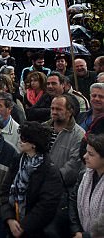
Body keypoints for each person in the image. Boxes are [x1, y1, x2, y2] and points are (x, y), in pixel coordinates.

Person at [0, 121, 63, 238]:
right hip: (13, 225)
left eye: (23, 139)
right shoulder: (18, 161)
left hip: (36, 231)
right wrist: (9, 218)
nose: (19, 141)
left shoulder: (49, 170)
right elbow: (5, 191)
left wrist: (23, 226)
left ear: (34, 144)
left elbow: (47, 204)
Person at [44, 93, 86, 238]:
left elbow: (73, 168)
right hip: (40, 194)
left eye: (58, 109)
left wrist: (48, 180)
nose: (54, 112)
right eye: (52, 108)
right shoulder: (44, 128)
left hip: (61, 197)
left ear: (70, 111)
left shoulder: (79, 135)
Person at [69, 133, 104, 238]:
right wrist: (76, 230)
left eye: (91, 154)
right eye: (86, 152)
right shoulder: (84, 175)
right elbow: (73, 201)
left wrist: (86, 236)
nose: (85, 156)